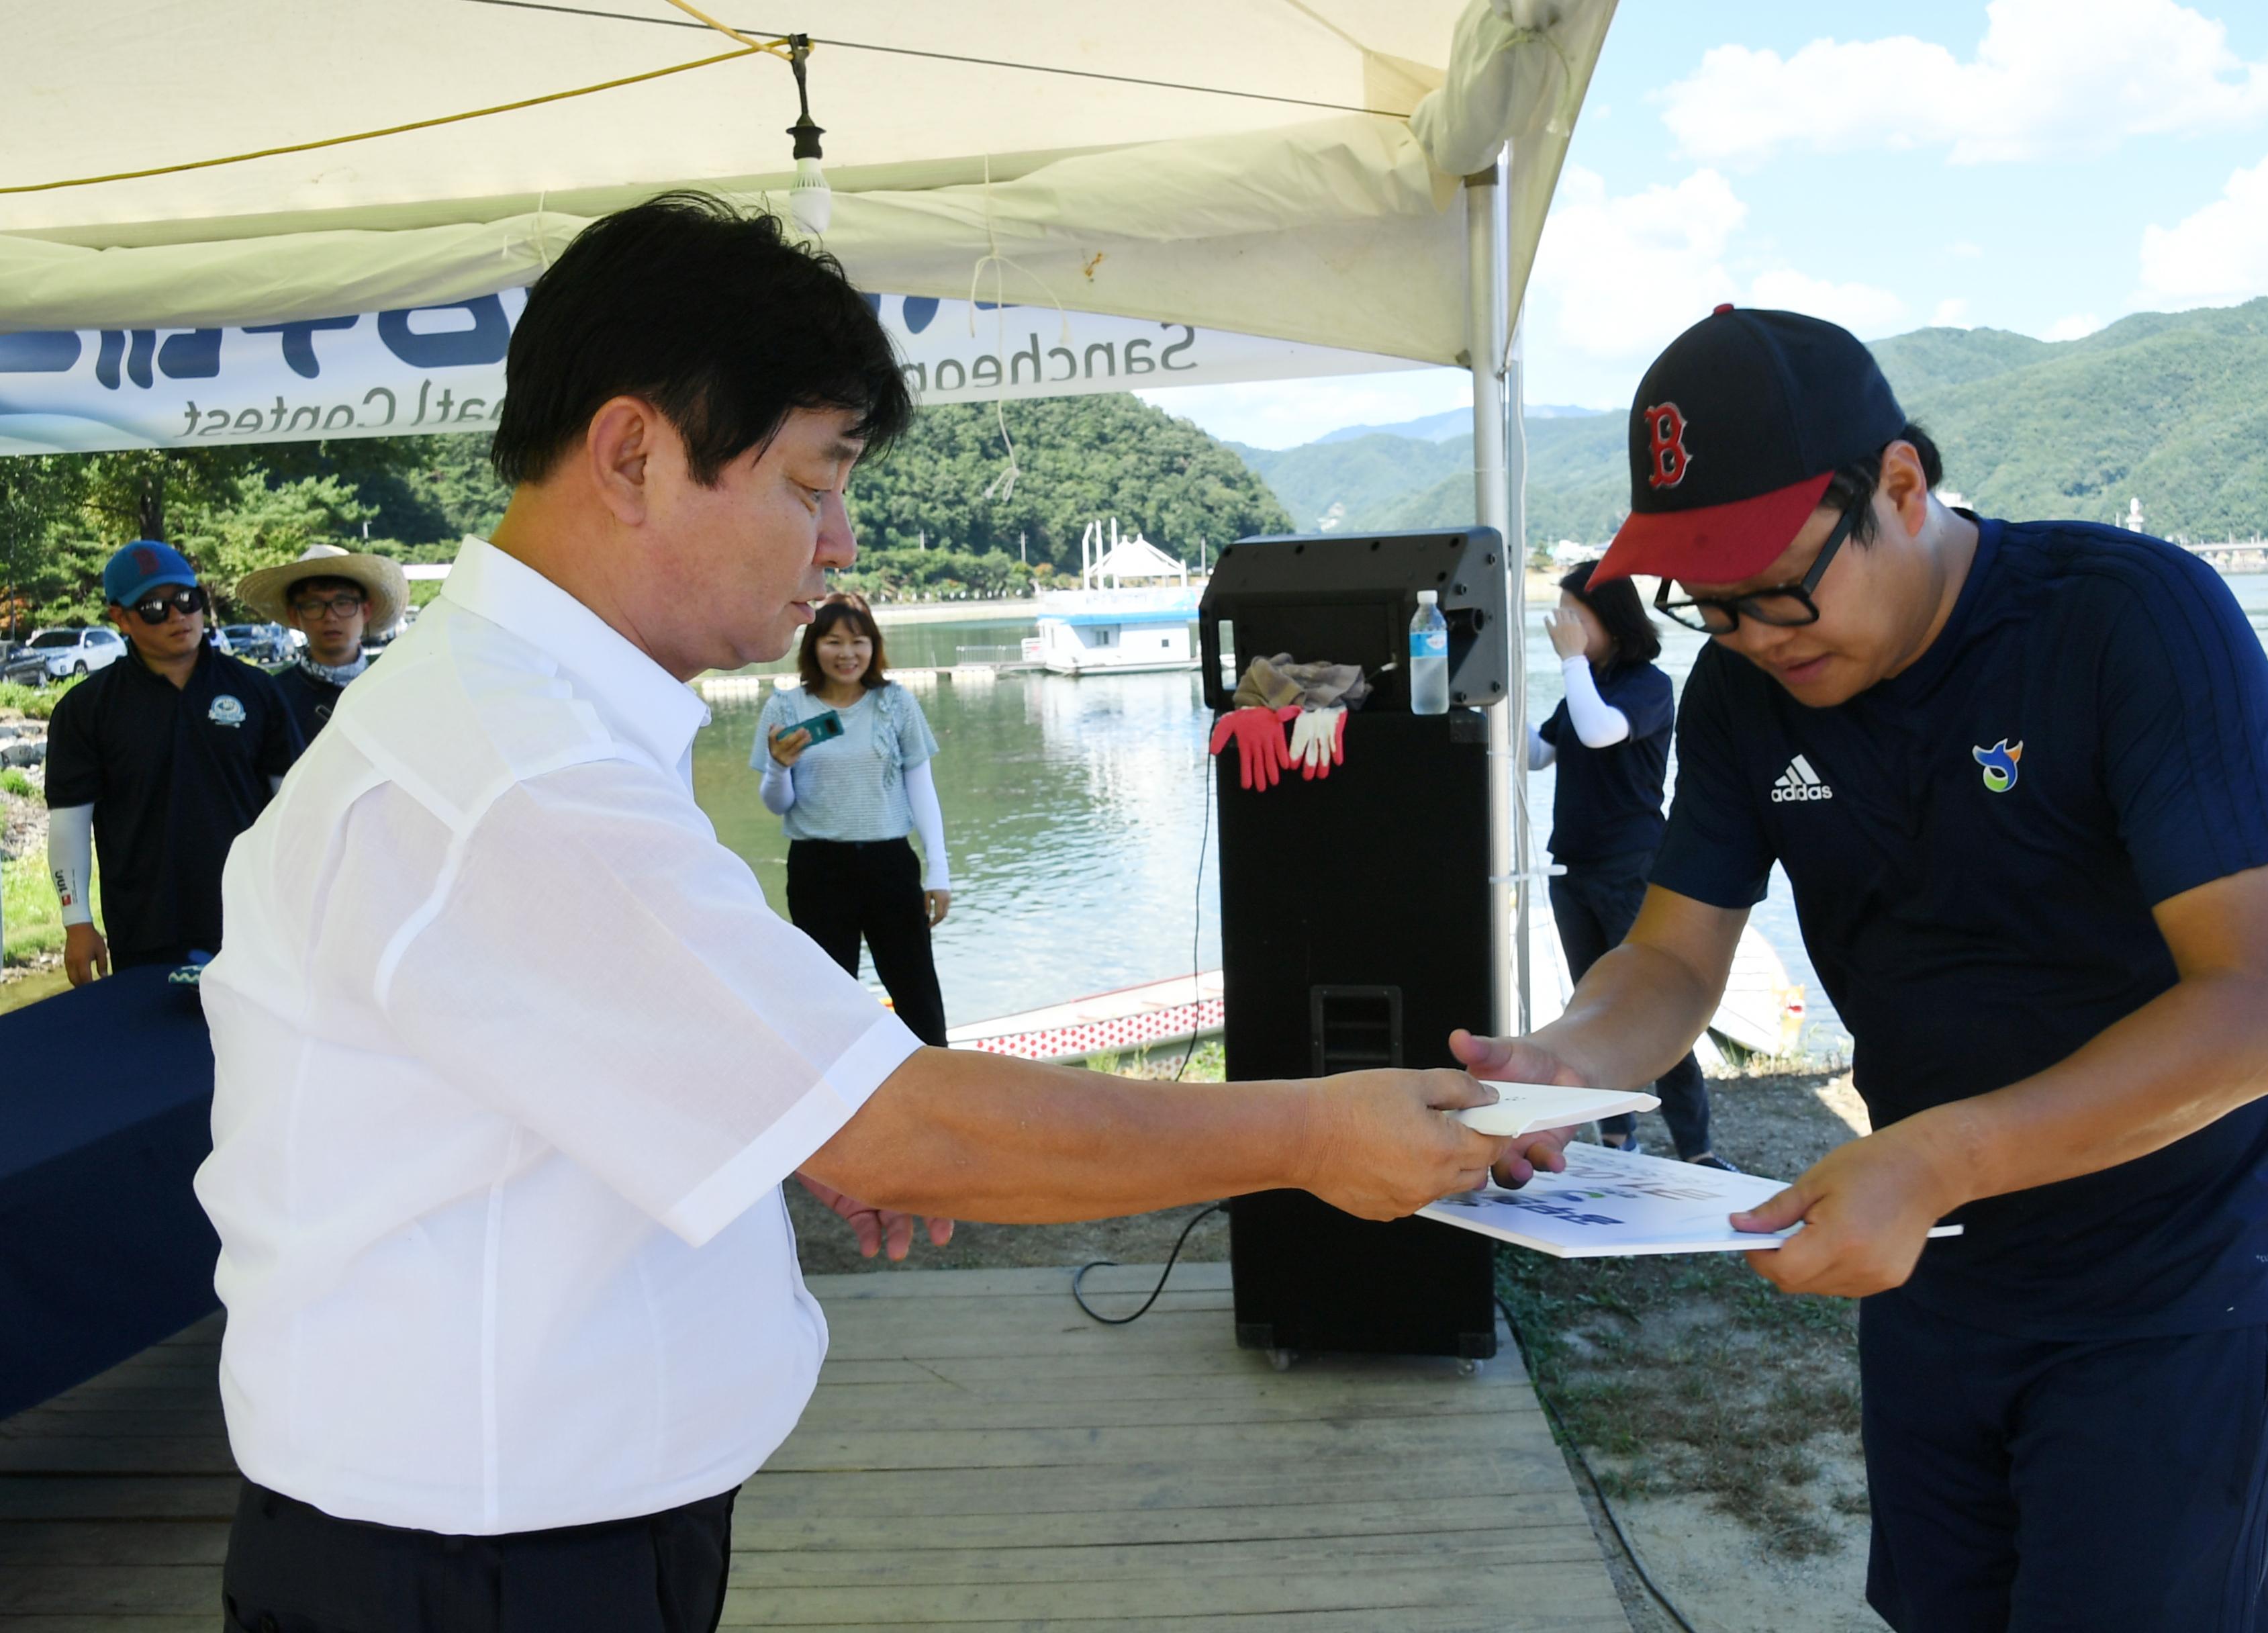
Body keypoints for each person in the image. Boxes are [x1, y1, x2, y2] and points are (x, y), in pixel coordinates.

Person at [195, 193, 1508, 1633]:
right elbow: (905, 1129)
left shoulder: (510, 725)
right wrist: (1314, 1136)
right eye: (814, 483)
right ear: (634, 453)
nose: (842, 539)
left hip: (519, 1538)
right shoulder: (518, 776)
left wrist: (773, 1115)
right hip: (481, 1572)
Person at [1462, 306, 2268, 1633]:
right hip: (1936, 1266)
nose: (1752, 633)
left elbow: (2266, 1004)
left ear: (1902, 487)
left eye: (1776, 586)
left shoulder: (2130, 622)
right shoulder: (1747, 696)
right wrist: (1565, 1062)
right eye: (1711, 604)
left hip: (2179, 1271)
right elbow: (1674, 955)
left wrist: (1939, 1158)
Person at [1532, 560, 1723, 1169]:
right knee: (1593, 1016)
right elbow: (1539, 752)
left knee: (1654, 1013)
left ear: (1609, 618)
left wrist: (1568, 663)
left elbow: (1597, 733)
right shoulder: (1584, 681)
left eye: (1574, 613)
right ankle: (1616, 1139)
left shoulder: (1646, 684)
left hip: (1630, 868)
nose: (1562, 625)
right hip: (1574, 869)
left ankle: (1696, 1148)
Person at [44, 541, 301, 982]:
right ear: (120, 618)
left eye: (187, 599)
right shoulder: (86, 708)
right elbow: (69, 822)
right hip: (143, 929)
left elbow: (296, 807)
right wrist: (77, 922)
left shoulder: (257, 690)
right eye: (153, 607)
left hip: (254, 921)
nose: (179, 616)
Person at [752, 594, 951, 1046]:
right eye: (834, 641)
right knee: (826, 996)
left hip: (890, 864)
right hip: (817, 867)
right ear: (813, 646)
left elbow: (921, 788)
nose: (847, 654)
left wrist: (939, 871)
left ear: (873, 646)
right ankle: (837, 1098)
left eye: (858, 642)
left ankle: (936, 1093)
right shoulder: (785, 708)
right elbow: (777, 804)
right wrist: (779, 766)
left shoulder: (895, 704)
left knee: (917, 992)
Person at [236, 542, 412, 746]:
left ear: (366, 610)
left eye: (343, 603)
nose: (330, 617)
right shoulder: (274, 698)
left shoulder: (393, 688)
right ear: (295, 615)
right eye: (314, 605)